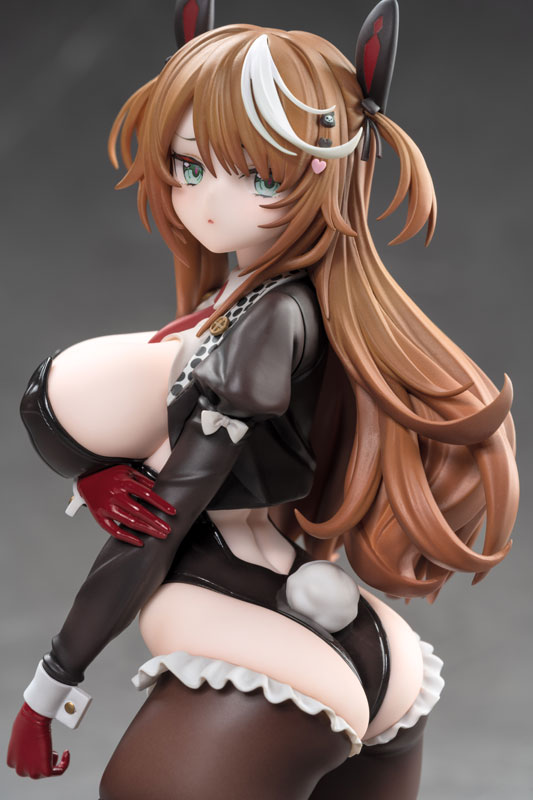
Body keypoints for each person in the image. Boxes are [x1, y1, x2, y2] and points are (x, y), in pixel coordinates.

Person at [7, 3, 518, 798]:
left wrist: (51, 687)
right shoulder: (257, 300)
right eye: (188, 166)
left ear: (325, 171)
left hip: (256, 645)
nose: (209, 201)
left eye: (259, 175)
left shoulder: (270, 322)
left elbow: (161, 524)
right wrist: (97, 474)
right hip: (342, 640)